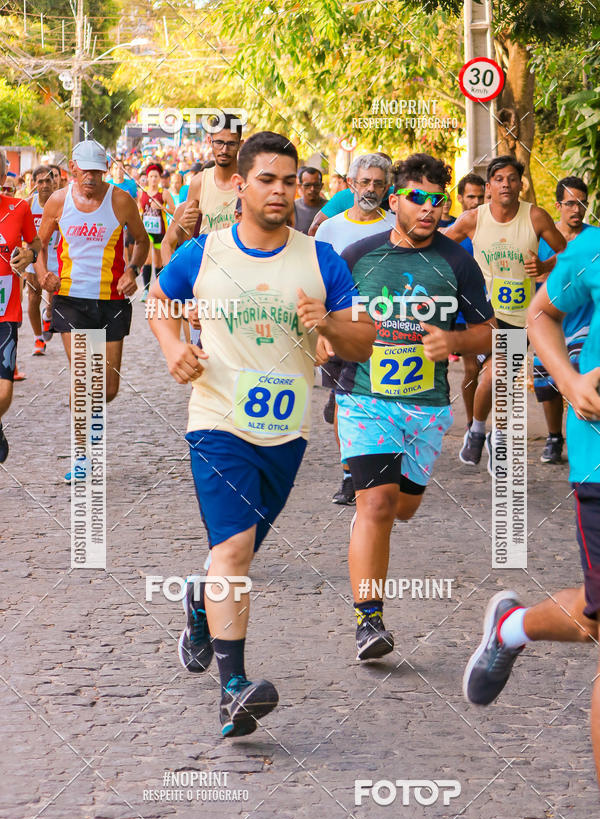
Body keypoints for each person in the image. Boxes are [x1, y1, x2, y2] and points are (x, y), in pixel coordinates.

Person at [148, 131, 374, 737]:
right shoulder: (206, 251)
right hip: (217, 420)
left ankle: (200, 599)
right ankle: (234, 690)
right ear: (240, 185)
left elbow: (363, 339)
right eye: (267, 180)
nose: (280, 190)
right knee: (235, 549)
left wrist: (328, 324)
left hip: (285, 432)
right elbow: (159, 299)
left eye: (289, 180)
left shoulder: (321, 259)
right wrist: (172, 346)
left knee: (240, 552)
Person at [335, 153, 493, 660]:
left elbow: (489, 330)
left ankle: (370, 522)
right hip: (365, 398)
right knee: (376, 504)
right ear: (394, 201)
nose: (428, 208)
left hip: (426, 407)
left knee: (403, 508)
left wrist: (455, 341)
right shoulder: (358, 256)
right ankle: (369, 621)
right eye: (417, 198)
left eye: (437, 200)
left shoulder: (457, 262)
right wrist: (325, 343)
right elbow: (331, 319)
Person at [463, 226, 600, 787]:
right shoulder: (592, 248)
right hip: (599, 461)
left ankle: (511, 628)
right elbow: (540, 314)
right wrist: (569, 382)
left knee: (594, 620)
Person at [34, 139, 149, 482]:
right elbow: (39, 244)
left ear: (106, 170)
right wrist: (42, 274)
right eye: (85, 171)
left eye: (97, 171)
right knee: (85, 376)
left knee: (108, 388)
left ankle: (85, 408)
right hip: (70, 299)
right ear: (73, 168)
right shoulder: (58, 201)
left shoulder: (121, 200)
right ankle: (83, 455)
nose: (91, 178)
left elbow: (142, 240)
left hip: (112, 301)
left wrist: (133, 271)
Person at [445, 155, 565, 473]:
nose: (506, 184)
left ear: (520, 184)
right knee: (492, 374)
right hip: (481, 314)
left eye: (512, 178)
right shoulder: (473, 219)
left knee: (498, 376)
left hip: (518, 317)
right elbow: (439, 244)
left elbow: (565, 251)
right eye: (499, 179)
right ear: (489, 186)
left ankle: (483, 432)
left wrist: (544, 266)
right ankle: (483, 432)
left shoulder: (535, 216)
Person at [316, 153, 395, 505]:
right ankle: (350, 473)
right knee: (343, 404)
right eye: (364, 182)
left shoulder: (396, 224)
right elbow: (317, 279)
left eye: (378, 183)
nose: (371, 189)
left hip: (387, 329)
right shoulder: (330, 229)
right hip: (341, 326)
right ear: (351, 185)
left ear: (387, 188)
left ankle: (383, 468)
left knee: (382, 403)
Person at [531, 176, 595, 464]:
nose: (576, 209)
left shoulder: (594, 239)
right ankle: (554, 437)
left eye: (582, 203)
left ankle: (586, 439)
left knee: (582, 373)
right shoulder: (542, 239)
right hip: (550, 323)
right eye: (570, 203)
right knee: (545, 383)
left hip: (586, 322)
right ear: (558, 206)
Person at [0, 151, 41, 462]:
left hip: (6, 312)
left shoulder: (19, 208)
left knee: (4, 391)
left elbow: (35, 243)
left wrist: (30, 255)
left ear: (3, 177)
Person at [161, 114, 243, 263]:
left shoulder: (250, 182)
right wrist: (181, 229)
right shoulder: (198, 183)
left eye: (231, 144)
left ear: (240, 144)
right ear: (209, 141)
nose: (224, 150)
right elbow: (186, 240)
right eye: (219, 142)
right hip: (206, 268)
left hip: (240, 267)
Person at [448, 174, 486, 425]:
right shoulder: (454, 232)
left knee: (500, 372)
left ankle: (499, 428)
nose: (476, 202)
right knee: (471, 369)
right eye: (471, 197)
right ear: (460, 198)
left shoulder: (494, 227)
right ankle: (473, 425)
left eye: (481, 197)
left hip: (494, 309)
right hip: (459, 311)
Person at [26, 166, 59, 356]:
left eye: (48, 180)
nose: (45, 185)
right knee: (33, 297)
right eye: (40, 181)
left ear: (54, 182)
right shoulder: (29, 204)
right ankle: (38, 338)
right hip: (34, 257)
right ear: (34, 184)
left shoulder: (61, 202)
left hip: (56, 256)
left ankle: (49, 314)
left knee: (53, 297)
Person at [138, 162, 175, 294]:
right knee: (148, 259)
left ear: (159, 178)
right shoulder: (142, 192)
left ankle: (158, 289)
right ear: (147, 177)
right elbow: (139, 209)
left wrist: (161, 207)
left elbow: (174, 210)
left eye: (156, 176)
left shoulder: (164, 193)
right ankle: (146, 290)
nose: (153, 179)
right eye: (151, 176)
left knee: (159, 262)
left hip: (160, 231)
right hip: (146, 231)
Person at [293, 166, 326, 234]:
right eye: (307, 185)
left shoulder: (329, 207)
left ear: (321, 186)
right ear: (300, 186)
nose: (312, 189)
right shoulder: (292, 208)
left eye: (316, 185)